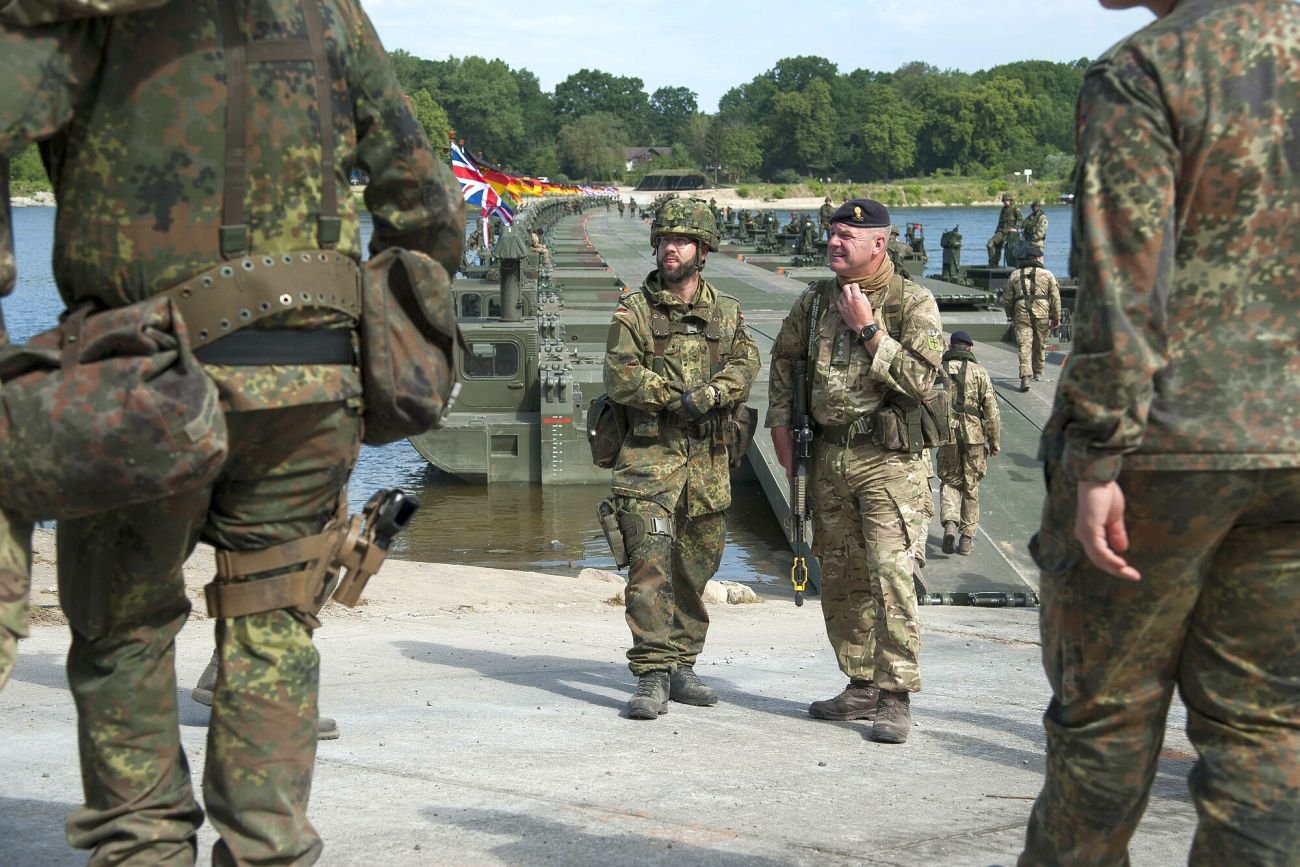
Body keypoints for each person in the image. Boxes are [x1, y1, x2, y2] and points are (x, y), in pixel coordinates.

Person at [0, 4, 464, 863]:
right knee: (274, 622)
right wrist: (388, 313)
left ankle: (143, 846)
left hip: (136, 379)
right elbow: (425, 198)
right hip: (310, 384)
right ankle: (268, 849)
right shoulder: (326, 10)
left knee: (124, 629)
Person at [1018, 1, 1300, 864]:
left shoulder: (1150, 68)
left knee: (1105, 722)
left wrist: (1099, 445)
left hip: (1167, 443)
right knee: (1268, 737)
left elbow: (1124, 279)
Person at [767, 199, 944, 744]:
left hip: (889, 463)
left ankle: (896, 695)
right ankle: (861, 680)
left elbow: (920, 381)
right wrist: (780, 428)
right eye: (833, 234)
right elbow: (784, 363)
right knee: (841, 574)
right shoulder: (815, 300)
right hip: (828, 456)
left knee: (890, 574)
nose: (835, 243)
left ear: (879, 244)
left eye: (847, 235)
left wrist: (869, 331)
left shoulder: (913, 302)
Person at [602, 197, 759, 721]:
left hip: (708, 466)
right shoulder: (634, 312)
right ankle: (650, 671)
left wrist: (711, 397)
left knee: (695, 569)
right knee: (649, 568)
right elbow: (621, 376)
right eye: (666, 239)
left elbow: (745, 363)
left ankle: (683, 663)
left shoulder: (727, 312)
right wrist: (677, 398)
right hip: (650, 461)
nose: (672, 248)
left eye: (683, 240)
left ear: (703, 250)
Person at [935, 331, 1000, 556]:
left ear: (952, 346)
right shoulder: (980, 373)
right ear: (970, 348)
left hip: (947, 435)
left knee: (949, 481)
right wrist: (994, 440)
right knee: (971, 485)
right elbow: (991, 411)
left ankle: (950, 523)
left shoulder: (939, 369)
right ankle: (966, 539)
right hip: (974, 436)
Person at [1001, 245, 1061, 392]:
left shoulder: (1015, 275)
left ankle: (1025, 376)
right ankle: (1038, 371)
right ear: (1038, 258)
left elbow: (1007, 298)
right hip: (1042, 312)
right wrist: (1056, 317)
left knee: (1024, 345)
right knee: (1040, 343)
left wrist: (1010, 315)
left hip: (1021, 313)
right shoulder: (1047, 275)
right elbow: (1055, 297)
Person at [987, 194, 1022, 267]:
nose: (1006, 202)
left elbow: (1021, 220)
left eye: (1007, 200)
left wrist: (1016, 228)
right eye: (1005, 200)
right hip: (1001, 231)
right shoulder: (1003, 209)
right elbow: (1000, 222)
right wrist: (997, 231)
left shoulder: (1015, 209)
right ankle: (993, 262)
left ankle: (995, 263)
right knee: (990, 244)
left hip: (1010, 232)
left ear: (1010, 201)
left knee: (1000, 247)